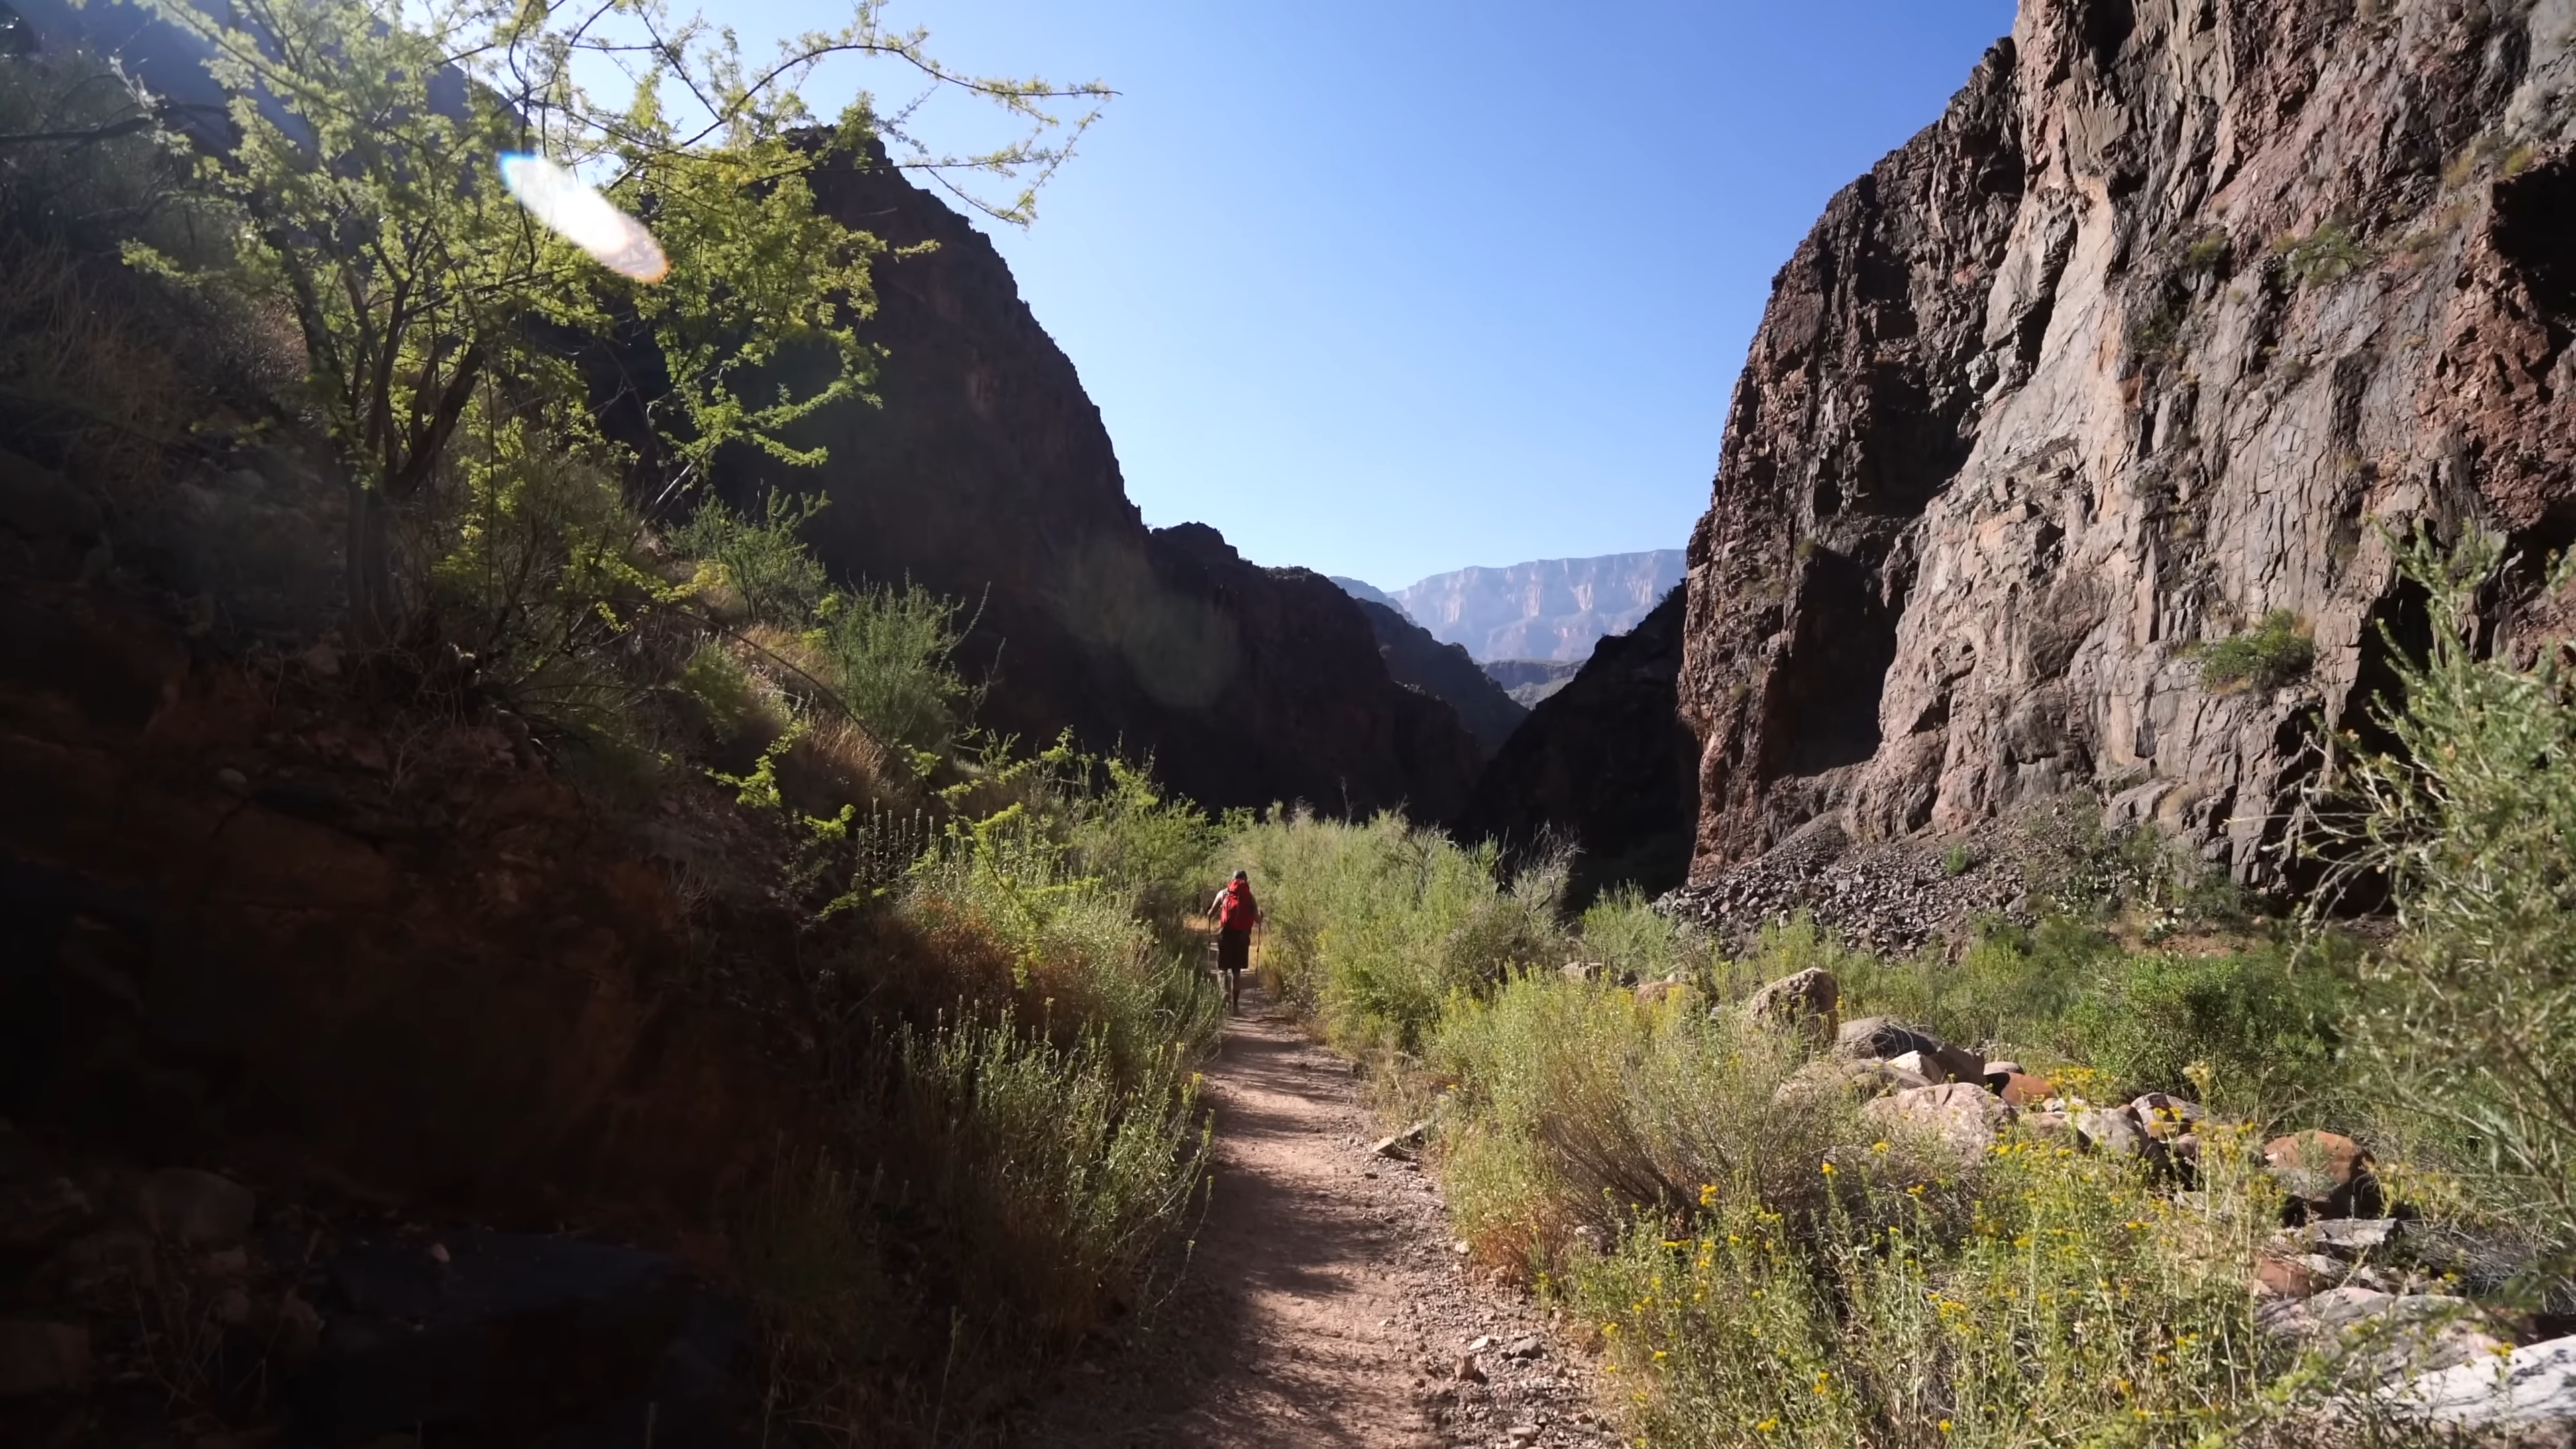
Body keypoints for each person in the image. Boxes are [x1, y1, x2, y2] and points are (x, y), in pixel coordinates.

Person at [1209, 869, 1259, 1013]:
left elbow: (1210, 914)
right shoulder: (1249, 897)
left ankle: (1224, 993)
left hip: (1226, 935)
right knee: (1236, 972)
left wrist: (1211, 914)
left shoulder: (1224, 894)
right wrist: (1260, 915)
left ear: (1232, 879)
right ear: (1246, 880)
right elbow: (1258, 920)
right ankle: (1235, 1007)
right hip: (1242, 937)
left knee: (1222, 969)